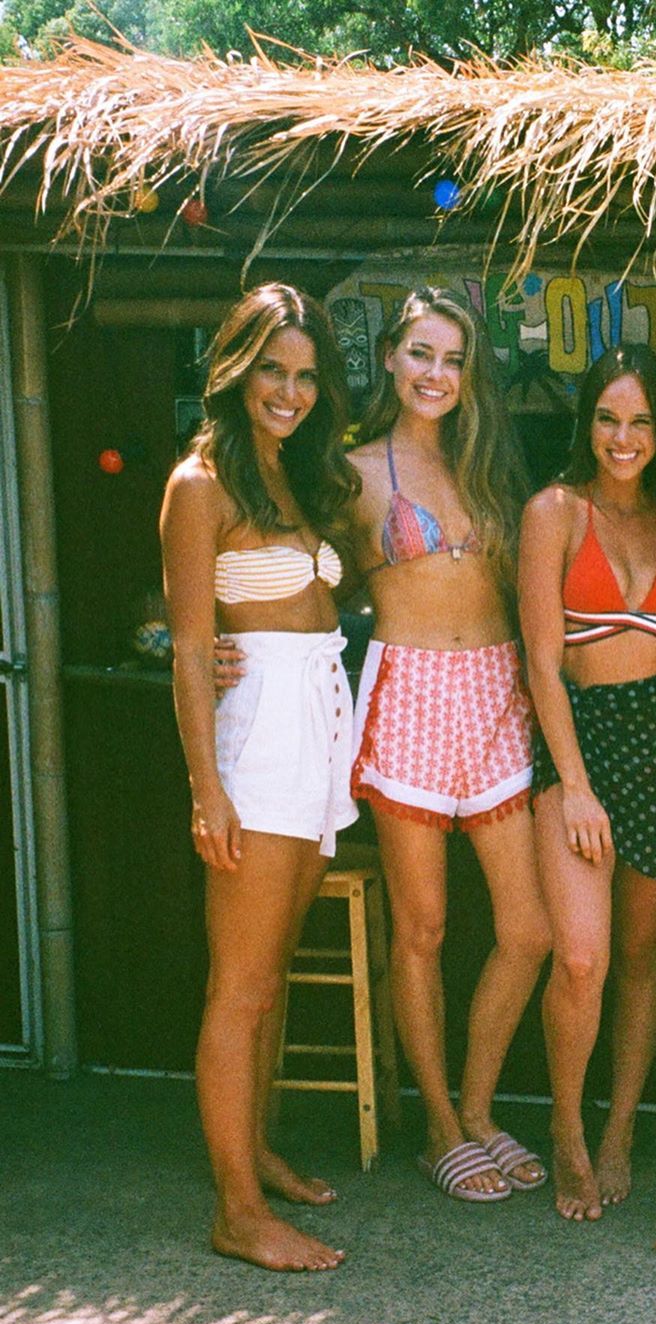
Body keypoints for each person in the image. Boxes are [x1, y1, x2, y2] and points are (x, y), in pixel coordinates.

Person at [160, 284, 361, 1272]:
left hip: (319, 725)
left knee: (272, 972)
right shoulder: (199, 484)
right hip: (260, 741)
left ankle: (257, 1152)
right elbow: (191, 650)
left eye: (306, 375)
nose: (290, 391)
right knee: (240, 986)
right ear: (236, 370)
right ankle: (236, 1210)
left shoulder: (294, 472)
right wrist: (209, 791)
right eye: (273, 370)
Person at [346, 287, 551, 1200]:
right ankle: (437, 1126)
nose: (437, 374)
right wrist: (231, 640)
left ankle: (476, 1107)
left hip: (497, 692)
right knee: (421, 927)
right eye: (422, 354)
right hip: (410, 693)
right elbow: (301, 578)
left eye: (455, 360)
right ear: (391, 357)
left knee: (528, 930)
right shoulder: (350, 473)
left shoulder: (489, 466)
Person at [518, 345, 656, 1221]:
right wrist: (577, 785)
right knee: (581, 955)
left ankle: (620, 1128)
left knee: (640, 955)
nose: (623, 438)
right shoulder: (554, 511)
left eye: (641, 422)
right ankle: (567, 1130)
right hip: (577, 740)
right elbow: (542, 665)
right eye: (607, 418)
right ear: (585, 422)